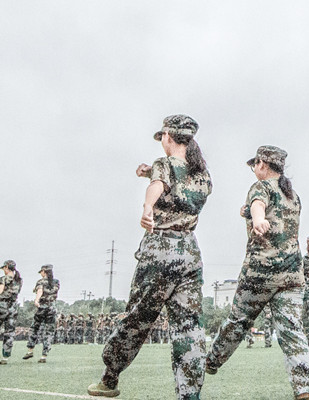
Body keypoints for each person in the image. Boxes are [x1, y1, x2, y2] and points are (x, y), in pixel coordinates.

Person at [88, 114, 213, 399]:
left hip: (160, 252)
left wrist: (147, 207)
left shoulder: (164, 165)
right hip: (190, 253)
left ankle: (109, 379)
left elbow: (159, 184)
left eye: (163, 137)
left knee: (137, 319)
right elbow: (175, 183)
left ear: (168, 136)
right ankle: (189, 394)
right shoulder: (203, 174)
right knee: (189, 327)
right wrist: (149, 172)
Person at [205, 145, 309, 400]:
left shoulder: (260, 187)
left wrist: (257, 219)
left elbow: (258, 205)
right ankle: (303, 389)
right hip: (291, 275)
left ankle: (212, 361)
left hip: (261, 273)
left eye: (255, 164)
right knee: (292, 331)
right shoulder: (293, 195)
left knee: (238, 322)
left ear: (263, 164)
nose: (254, 169)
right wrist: (250, 214)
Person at [0, 260, 22, 364]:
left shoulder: (3, 279)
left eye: (4, 268)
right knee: (9, 332)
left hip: (2, 305)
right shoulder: (19, 280)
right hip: (13, 307)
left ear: (7, 267)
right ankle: (5, 357)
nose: (3, 270)